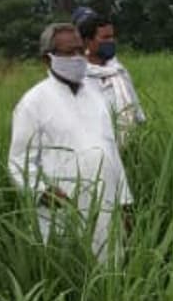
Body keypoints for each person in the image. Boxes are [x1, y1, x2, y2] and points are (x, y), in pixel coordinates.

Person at [8, 23, 132, 260]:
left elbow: (111, 151)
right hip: (63, 210)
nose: (77, 58)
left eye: (79, 50)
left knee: (111, 270)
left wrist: (125, 202)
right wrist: (43, 191)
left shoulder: (96, 95)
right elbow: (18, 162)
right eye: (68, 53)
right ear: (48, 59)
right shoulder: (32, 103)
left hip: (106, 206)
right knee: (71, 274)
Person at [75, 9, 146, 146]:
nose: (111, 41)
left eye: (112, 37)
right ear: (87, 41)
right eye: (105, 38)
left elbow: (136, 111)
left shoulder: (118, 71)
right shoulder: (77, 77)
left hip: (126, 148)